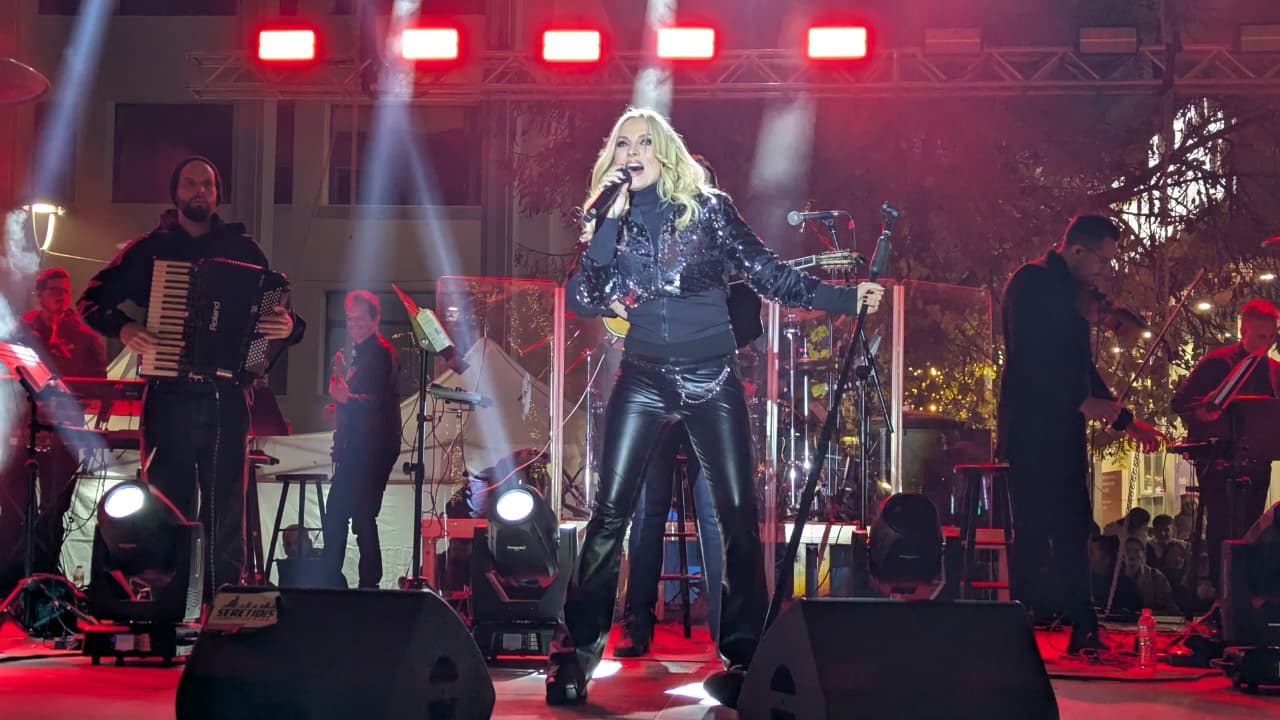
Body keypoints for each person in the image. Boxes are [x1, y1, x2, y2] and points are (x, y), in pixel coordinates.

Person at [549, 107, 884, 707]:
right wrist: (604, 225)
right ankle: (575, 656)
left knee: (736, 515)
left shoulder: (708, 210)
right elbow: (584, 295)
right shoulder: (612, 221)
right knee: (608, 516)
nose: (632, 151)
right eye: (622, 144)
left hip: (711, 375)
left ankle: (745, 656)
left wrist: (844, 297)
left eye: (644, 142)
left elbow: (769, 274)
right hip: (643, 377)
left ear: (665, 152)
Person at [78, 156, 304, 601]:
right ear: (175, 193)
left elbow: (281, 317)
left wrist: (288, 326)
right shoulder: (149, 249)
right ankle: (170, 600)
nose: (199, 191)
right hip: (169, 393)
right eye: (190, 184)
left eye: (208, 185)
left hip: (227, 394)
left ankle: (223, 601)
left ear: (217, 195)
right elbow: (90, 301)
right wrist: (123, 328)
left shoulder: (244, 250)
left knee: (227, 506)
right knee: (167, 502)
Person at [997, 214, 1166, 654]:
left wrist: (1125, 420)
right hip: (1031, 427)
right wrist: (1079, 402)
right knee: (1034, 530)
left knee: (1074, 525)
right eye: (1101, 261)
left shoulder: (1070, 294)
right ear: (1076, 249)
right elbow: (1029, 358)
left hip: (1062, 429)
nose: (1103, 272)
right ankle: (1018, 630)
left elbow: (1080, 367)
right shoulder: (1031, 283)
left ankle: (1084, 628)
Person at [612, 155, 736, 658]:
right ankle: (638, 623)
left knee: (713, 514)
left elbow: (746, 325)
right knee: (648, 510)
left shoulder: (723, 249)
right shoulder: (647, 240)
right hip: (657, 392)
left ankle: (729, 634)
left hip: (707, 390)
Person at [0, 268, 107, 590]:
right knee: (12, 509)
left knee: (54, 511)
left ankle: (47, 580)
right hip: (21, 434)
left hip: (64, 436)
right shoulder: (20, 331)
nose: (62, 297)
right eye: (54, 291)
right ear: (39, 294)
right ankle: (8, 582)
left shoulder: (86, 337)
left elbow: (99, 389)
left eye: (66, 291)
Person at [1171, 299, 1280, 589]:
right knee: (1223, 528)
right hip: (1218, 462)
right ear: (1243, 331)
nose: (1267, 344)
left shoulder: (1274, 370)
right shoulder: (1217, 362)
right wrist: (1204, 410)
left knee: (1253, 529)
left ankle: (1244, 595)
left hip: (1257, 462)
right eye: (1260, 336)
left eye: (1272, 337)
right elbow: (1180, 403)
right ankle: (1223, 595)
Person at [321, 290, 400, 589]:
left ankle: (350, 581)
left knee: (353, 513)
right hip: (360, 446)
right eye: (349, 319)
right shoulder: (360, 353)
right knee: (354, 514)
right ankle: (356, 581)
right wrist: (339, 406)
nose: (353, 324)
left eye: (360, 319)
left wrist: (346, 400)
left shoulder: (381, 353)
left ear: (375, 319)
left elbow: (378, 400)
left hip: (373, 447)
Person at [1121, 536, 1180, 615]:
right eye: (1128, 551)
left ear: (1143, 554)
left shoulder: (1156, 577)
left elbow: (1168, 604)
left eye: (1136, 551)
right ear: (1122, 555)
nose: (1131, 555)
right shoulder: (1116, 577)